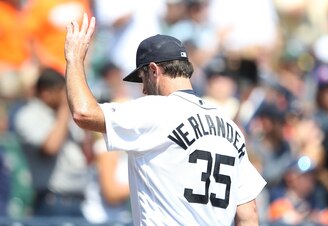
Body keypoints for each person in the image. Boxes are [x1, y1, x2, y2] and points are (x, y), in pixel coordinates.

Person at [64, 14, 266, 225]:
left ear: (153, 71)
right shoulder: (229, 126)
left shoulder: (156, 110)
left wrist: (74, 59)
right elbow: (248, 212)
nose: (142, 89)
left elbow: (83, 113)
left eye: (142, 79)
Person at [13, 67, 90, 218]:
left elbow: (88, 155)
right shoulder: (28, 115)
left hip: (78, 202)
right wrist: (64, 108)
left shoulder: (66, 115)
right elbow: (50, 147)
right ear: (45, 93)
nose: (66, 96)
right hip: (52, 203)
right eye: (61, 91)